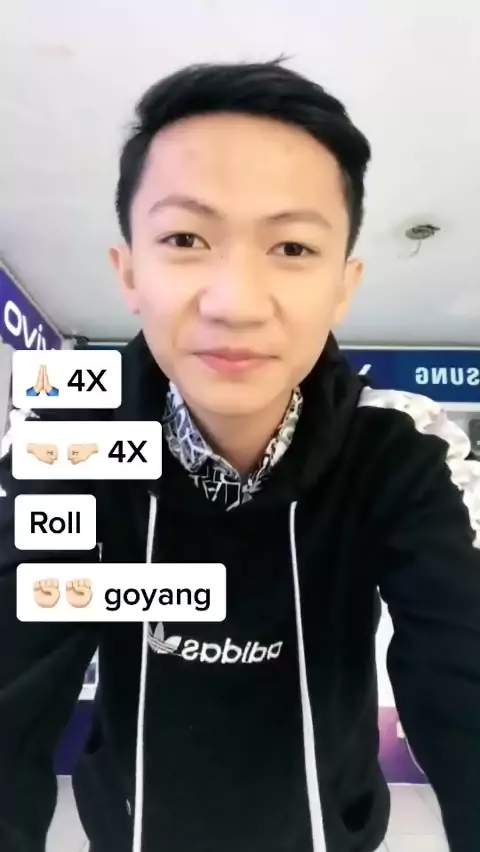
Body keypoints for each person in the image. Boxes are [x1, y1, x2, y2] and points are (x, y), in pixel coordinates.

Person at [0, 59, 479, 852]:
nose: (235, 303)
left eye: (292, 247)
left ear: (343, 286)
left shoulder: (400, 453)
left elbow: (463, 673)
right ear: (130, 273)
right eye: (185, 239)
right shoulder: (69, 450)